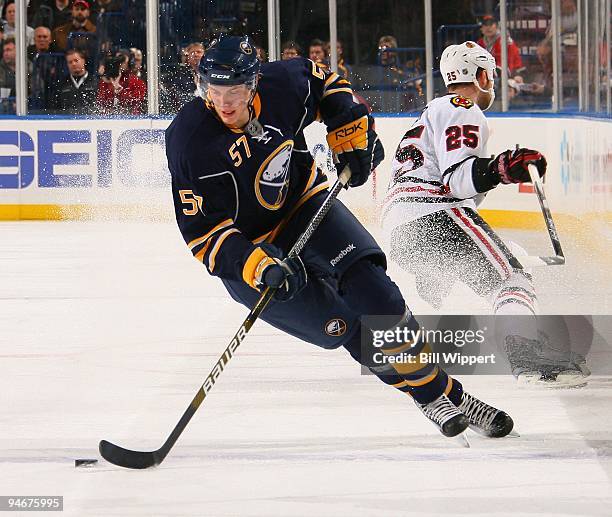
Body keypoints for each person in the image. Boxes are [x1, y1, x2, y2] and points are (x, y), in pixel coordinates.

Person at [166, 34, 514, 440]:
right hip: (252, 250)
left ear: (254, 83)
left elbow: (328, 87)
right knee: (347, 329)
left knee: (377, 295)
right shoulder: (189, 141)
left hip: (303, 203)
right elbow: (203, 233)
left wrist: (349, 129)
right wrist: (257, 265)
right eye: (216, 91)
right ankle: (441, 393)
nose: (225, 102)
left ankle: (435, 393)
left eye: (236, 90)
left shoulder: (285, 83)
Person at [381, 41, 590, 387]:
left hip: (402, 227)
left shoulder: (431, 112)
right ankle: (527, 359)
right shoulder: (463, 107)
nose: (491, 80)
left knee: (497, 276)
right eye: (489, 74)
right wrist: (503, 167)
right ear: (479, 75)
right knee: (512, 279)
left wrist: (432, 263)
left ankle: (518, 342)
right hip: (433, 213)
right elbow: (458, 180)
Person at [52, 48, 97, 113]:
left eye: (76, 60)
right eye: (70, 62)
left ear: (83, 61)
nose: (73, 64)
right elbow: (56, 108)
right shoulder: (61, 84)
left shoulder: (95, 81)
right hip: (67, 121)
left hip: (90, 120)